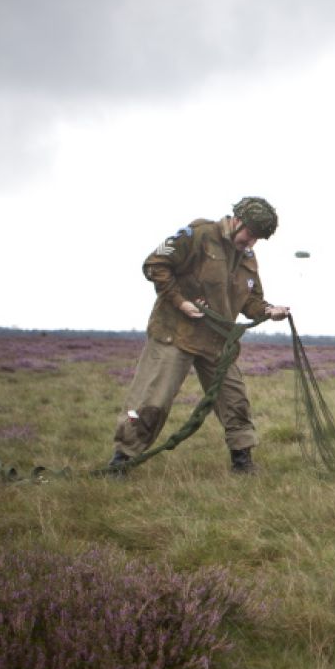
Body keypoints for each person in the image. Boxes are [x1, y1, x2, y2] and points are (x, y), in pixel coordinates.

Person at [109, 197, 290, 474]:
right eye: (250, 234)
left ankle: (242, 463)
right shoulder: (199, 234)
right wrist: (181, 301)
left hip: (217, 342)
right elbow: (155, 264)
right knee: (150, 401)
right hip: (175, 334)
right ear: (237, 220)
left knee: (236, 401)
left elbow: (252, 301)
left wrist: (269, 310)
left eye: (258, 239)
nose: (251, 243)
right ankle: (121, 460)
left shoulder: (248, 259)